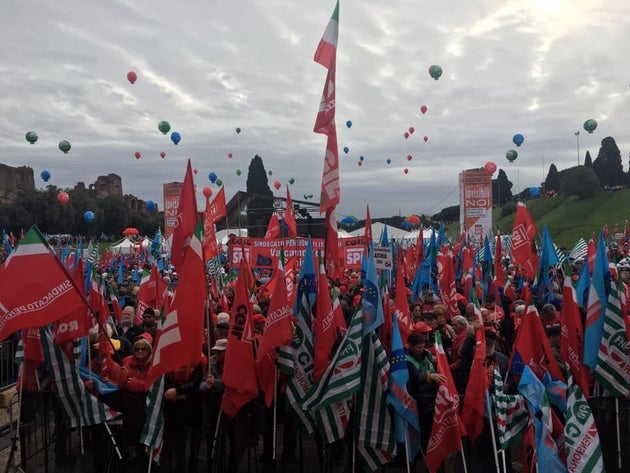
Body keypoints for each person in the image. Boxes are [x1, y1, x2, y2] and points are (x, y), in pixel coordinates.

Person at [406, 332, 446, 465]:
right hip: (417, 399)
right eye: (418, 347)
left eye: (423, 346)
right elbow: (415, 377)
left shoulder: (427, 354)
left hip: (432, 398)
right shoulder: (407, 359)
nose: (421, 350)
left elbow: (434, 368)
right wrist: (429, 377)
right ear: (410, 346)